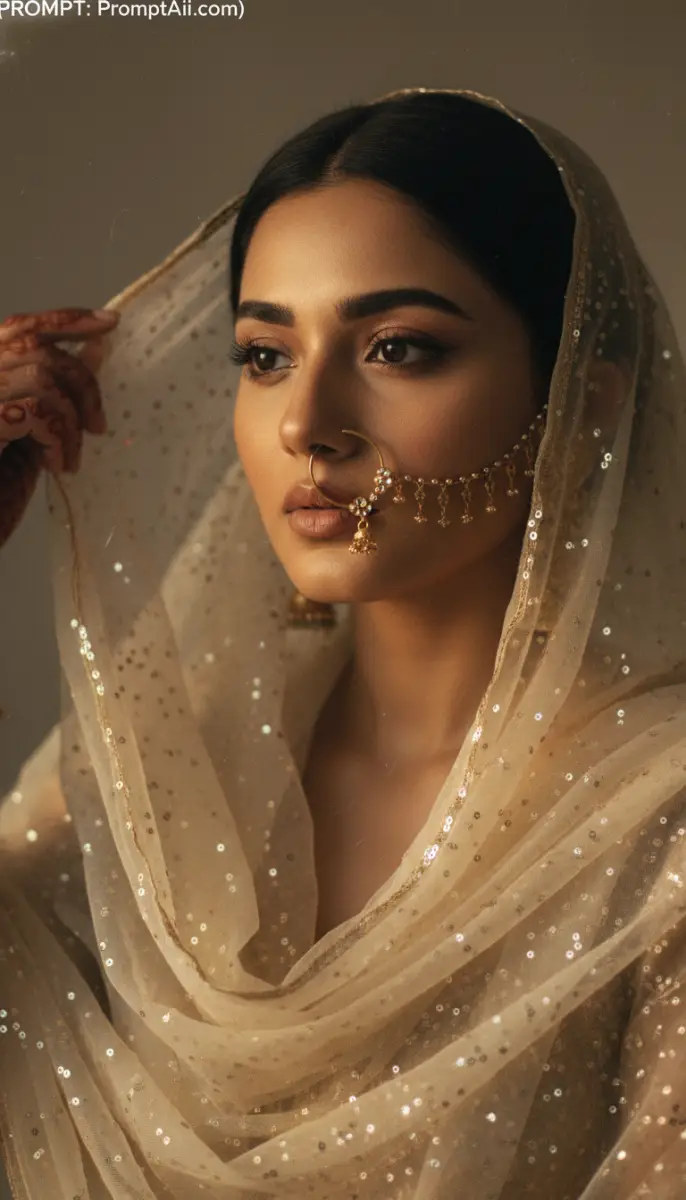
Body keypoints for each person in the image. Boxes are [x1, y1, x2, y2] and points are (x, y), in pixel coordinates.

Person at [0, 86, 684, 1199]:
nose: (303, 422)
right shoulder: (166, 779)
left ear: (583, 402)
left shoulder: (655, 826)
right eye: (264, 355)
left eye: (398, 347)